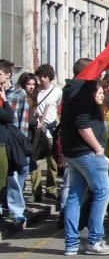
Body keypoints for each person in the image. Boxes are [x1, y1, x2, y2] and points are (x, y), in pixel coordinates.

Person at [60, 58, 109, 256]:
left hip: (74, 151)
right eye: (97, 71)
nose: (100, 75)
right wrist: (98, 148)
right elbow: (82, 124)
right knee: (103, 191)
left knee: (75, 195)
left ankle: (71, 243)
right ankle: (95, 240)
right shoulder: (82, 93)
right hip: (86, 152)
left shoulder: (71, 91)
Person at [4, 70, 36, 226]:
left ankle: (16, 209)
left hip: (14, 139)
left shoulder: (18, 94)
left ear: (7, 75)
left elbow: (21, 121)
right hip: (5, 139)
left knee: (17, 173)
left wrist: (21, 143)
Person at [33, 63, 61, 199]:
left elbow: (59, 110)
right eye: (40, 76)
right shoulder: (35, 91)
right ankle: (37, 191)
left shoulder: (57, 91)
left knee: (52, 161)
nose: (42, 79)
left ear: (50, 77)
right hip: (38, 130)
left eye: (45, 76)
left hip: (52, 130)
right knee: (36, 162)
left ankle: (51, 188)